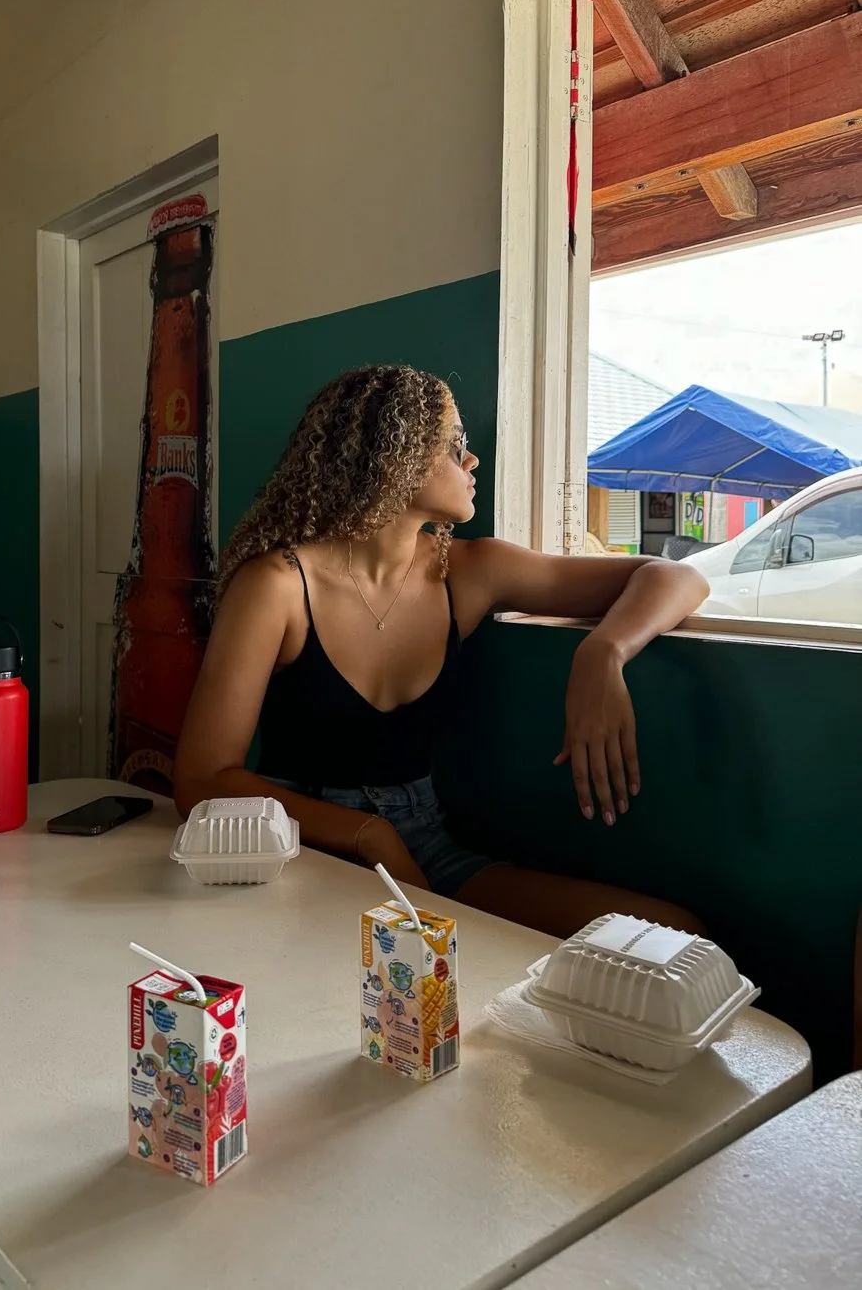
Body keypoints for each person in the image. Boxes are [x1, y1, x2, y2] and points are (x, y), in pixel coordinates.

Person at [174, 365, 710, 938]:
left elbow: (674, 577)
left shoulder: (470, 571)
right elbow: (201, 780)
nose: (472, 461)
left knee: (673, 935)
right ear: (394, 456)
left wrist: (603, 653)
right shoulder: (277, 584)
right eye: (457, 445)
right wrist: (366, 833)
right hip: (296, 851)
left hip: (426, 849)